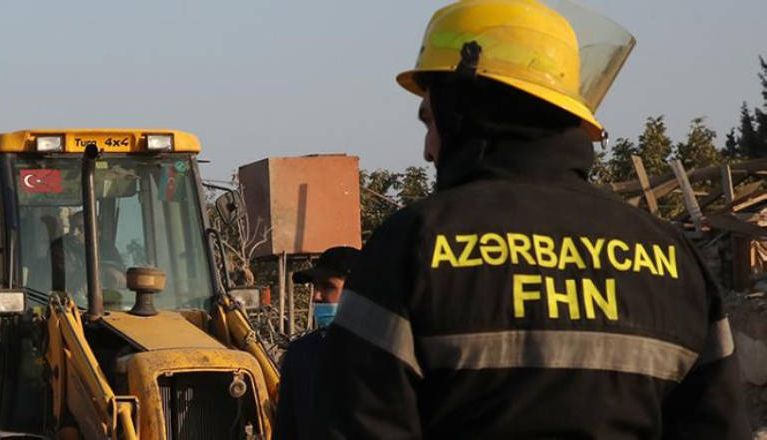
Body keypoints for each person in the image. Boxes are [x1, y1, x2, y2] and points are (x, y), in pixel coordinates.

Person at [314, 1, 750, 438]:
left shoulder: (413, 247)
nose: (428, 149)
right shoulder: (673, 261)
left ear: (462, 108)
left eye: (430, 119)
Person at [274, 246, 360, 440]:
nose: (316, 296)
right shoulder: (300, 353)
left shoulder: (385, 353)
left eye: (328, 287)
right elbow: (286, 429)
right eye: (315, 287)